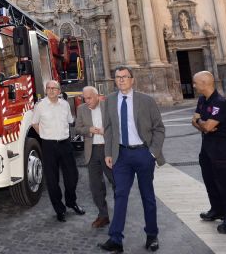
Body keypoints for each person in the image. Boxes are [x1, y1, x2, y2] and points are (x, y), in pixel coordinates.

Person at [99, 66, 165, 253]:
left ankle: (152, 235)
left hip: (143, 153)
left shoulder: (146, 100)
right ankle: (116, 239)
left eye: (124, 77)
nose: (121, 80)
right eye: (117, 77)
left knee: (147, 196)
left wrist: (152, 153)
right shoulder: (110, 100)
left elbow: (159, 128)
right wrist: (108, 153)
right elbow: (108, 129)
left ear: (132, 79)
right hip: (121, 155)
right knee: (120, 195)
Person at [192, 71, 226, 234]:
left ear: (204, 83)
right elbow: (196, 122)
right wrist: (203, 123)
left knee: (224, 183)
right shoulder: (202, 100)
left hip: (220, 148)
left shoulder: (220, 102)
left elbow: (206, 126)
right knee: (210, 180)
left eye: (195, 82)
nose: (193, 85)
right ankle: (217, 209)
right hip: (206, 146)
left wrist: (202, 123)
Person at [32, 80, 86, 222]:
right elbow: (34, 123)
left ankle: (71, 202)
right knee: (52, 180)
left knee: (73, 176)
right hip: (49, 145)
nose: (51, 90)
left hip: (65, 144)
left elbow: (69, 121)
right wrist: (44, 135)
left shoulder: (65, 105)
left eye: (54, 88)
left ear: (59, 91)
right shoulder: (40, 106)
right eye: (48, 88)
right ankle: (59, 209)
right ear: (46, 90)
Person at [75, 86, 114, 228]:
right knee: (96, 186)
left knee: (116, 182)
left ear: (97, 96)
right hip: (91, 152)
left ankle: (120, 212)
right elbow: (77, 128)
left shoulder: (107, 106)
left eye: (89, 98)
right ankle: (103, 215)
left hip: (108, 150)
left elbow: (116, 126)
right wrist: (89, 130)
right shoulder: (81, 109)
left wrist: (106, 131)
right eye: (84, 98)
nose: (87, 101)